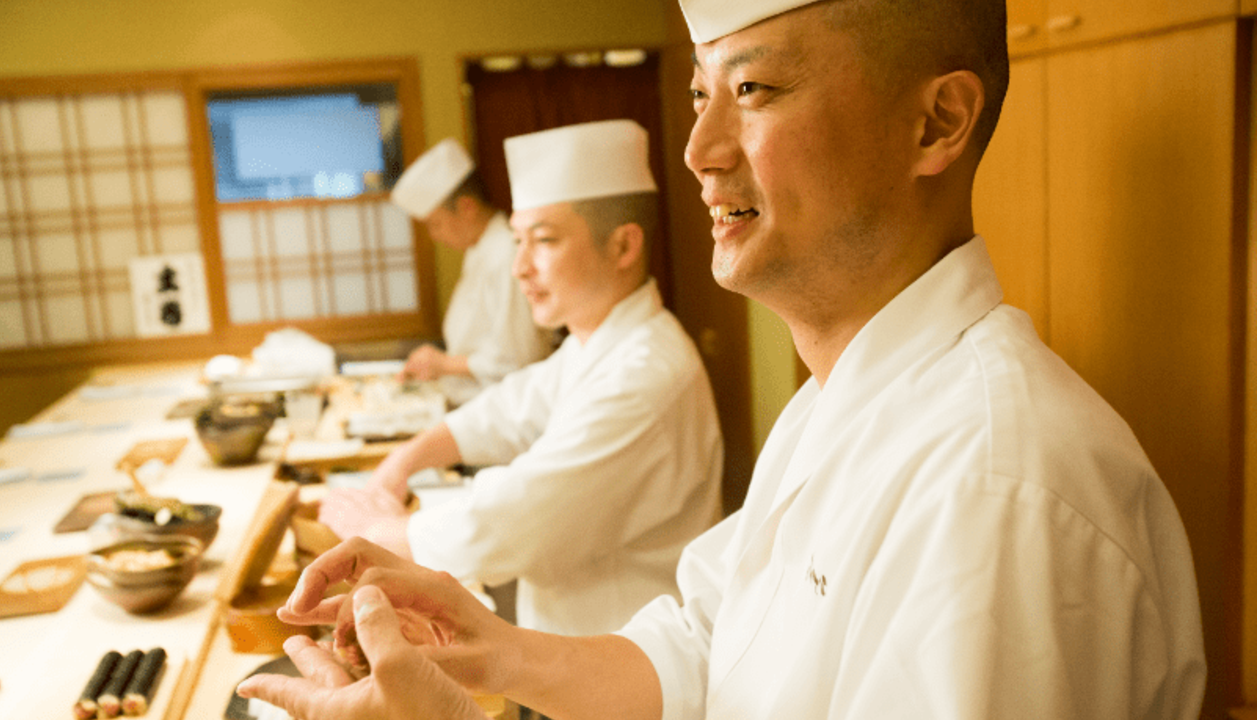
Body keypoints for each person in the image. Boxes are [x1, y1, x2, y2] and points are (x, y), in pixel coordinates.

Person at [239, 0, 1207, 717]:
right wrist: (484, 652)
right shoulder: (835, 401)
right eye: (701, 97)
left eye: (751, 90)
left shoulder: (997, 490)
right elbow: (707, 638)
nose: (699, 148)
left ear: (936, 123)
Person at [319, 119, 725, 638]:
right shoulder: (595, 344)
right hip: (574, 644)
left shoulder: (645, 373)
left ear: (623, 247)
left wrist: (374, 529)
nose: (520, 268)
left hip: (625, 659)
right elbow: (510, 406)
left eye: (545, 241)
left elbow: (516, 517)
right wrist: (404, 462)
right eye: (516, 241)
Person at [390, 138, 554, 405]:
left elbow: (519, 358)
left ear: (467, 207)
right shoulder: (480, 250)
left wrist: (444, 364)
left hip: (503, 408)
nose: (435, 236)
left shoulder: (506, 254)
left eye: (436, 224)